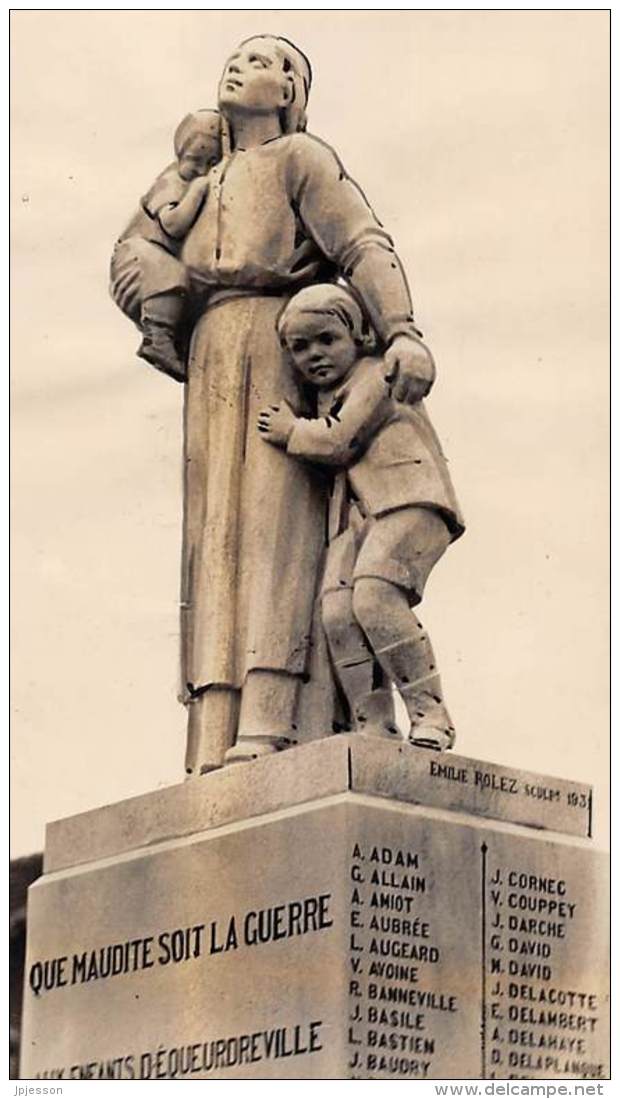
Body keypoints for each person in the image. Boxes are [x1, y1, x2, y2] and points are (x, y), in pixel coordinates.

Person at [114, 35, 439, 774]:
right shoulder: (199, 173)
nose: (239, 65)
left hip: (282, 343)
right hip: (211, 354)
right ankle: (213, 729)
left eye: (264, 61)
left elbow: (362, 244)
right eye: (235, 57)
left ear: (291, 91)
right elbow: (136, 247)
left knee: (275, 532)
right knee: (214, 542)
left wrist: (402, 333)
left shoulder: (302, 160)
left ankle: (272, 717)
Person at [259, 284, 464, 751]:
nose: (314, 355)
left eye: (326, 340)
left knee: (374, 597)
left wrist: (292, 430)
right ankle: (373, 725)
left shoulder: (376, 376)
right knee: (337, 611)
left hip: (411, 502)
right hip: (363, 517)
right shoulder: (330, 393)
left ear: (358, 336)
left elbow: (339, 441)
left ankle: (430, 713)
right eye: (300, 347)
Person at [110, 110, 221, 381]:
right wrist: (198, 190)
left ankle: (167, 338)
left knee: (175, 280)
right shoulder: (171, 182)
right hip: (135, 254)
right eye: (194, 160)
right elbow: (173, 224)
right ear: (179, 154)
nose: (201, 170)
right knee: (170, 273)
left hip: (155, 261)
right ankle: (157, 339)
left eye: (212, 162)